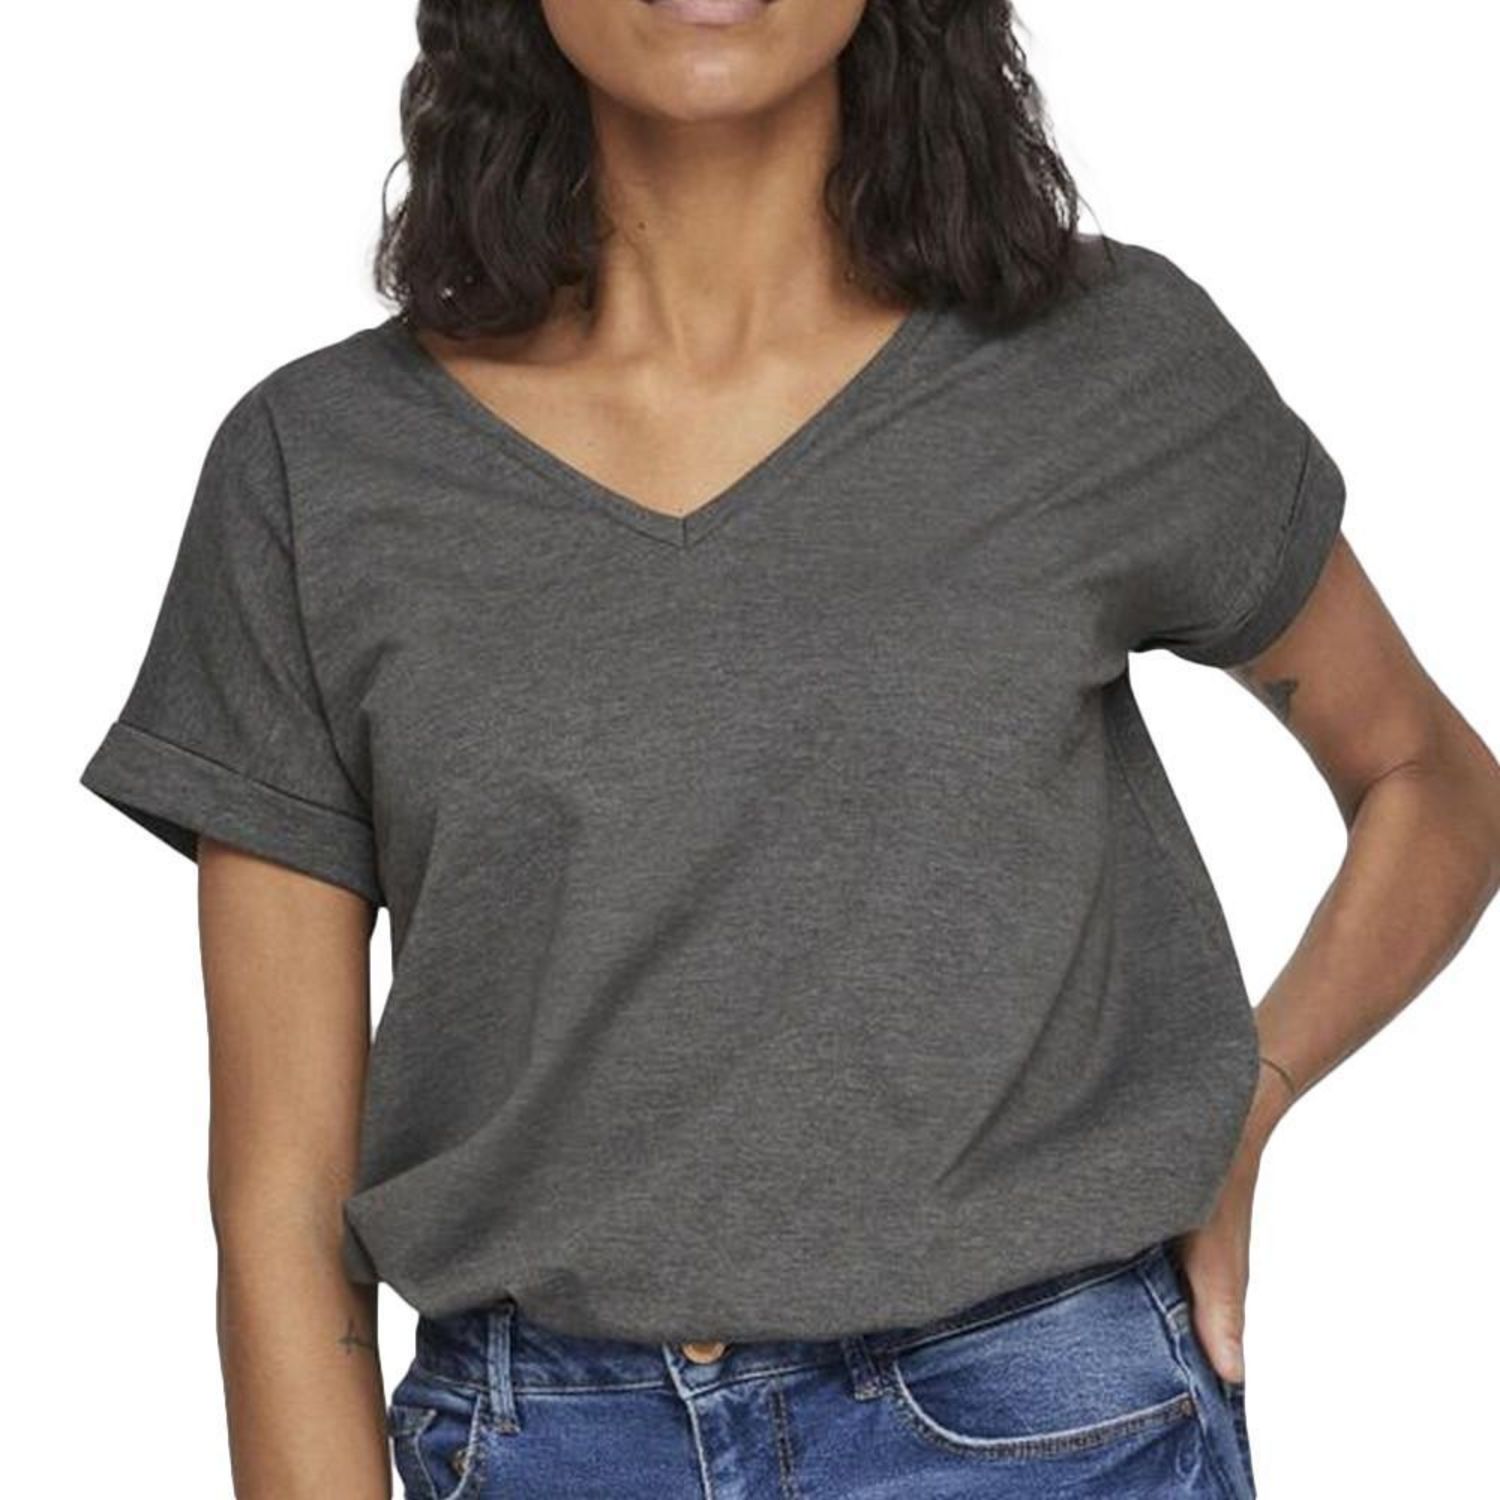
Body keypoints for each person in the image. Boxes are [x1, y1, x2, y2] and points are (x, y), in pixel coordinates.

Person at [78, 1, 1500, 1496]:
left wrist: (1245, 1102)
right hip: (541, 1447)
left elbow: (1430, 781)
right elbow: (283, 1207)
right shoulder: (320, 469)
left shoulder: (1099, 361)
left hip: (1043, 1432)